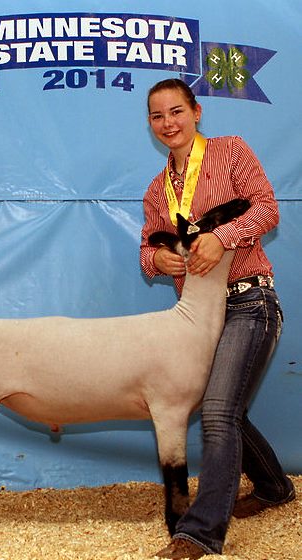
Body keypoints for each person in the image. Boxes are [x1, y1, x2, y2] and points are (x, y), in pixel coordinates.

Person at [140, 78, 295, 559]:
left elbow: (268, 209)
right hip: (196, 320)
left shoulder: (231, 152)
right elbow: (148, 246)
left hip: (250, 301)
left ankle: (201, 532)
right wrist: (157, 262)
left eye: (176, 112)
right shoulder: (156, 191)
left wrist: (223, 235)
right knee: (223, 407)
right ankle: (274, 487)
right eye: (157, 116)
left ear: (197, 111)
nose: (168, 124)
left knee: (217, 410)